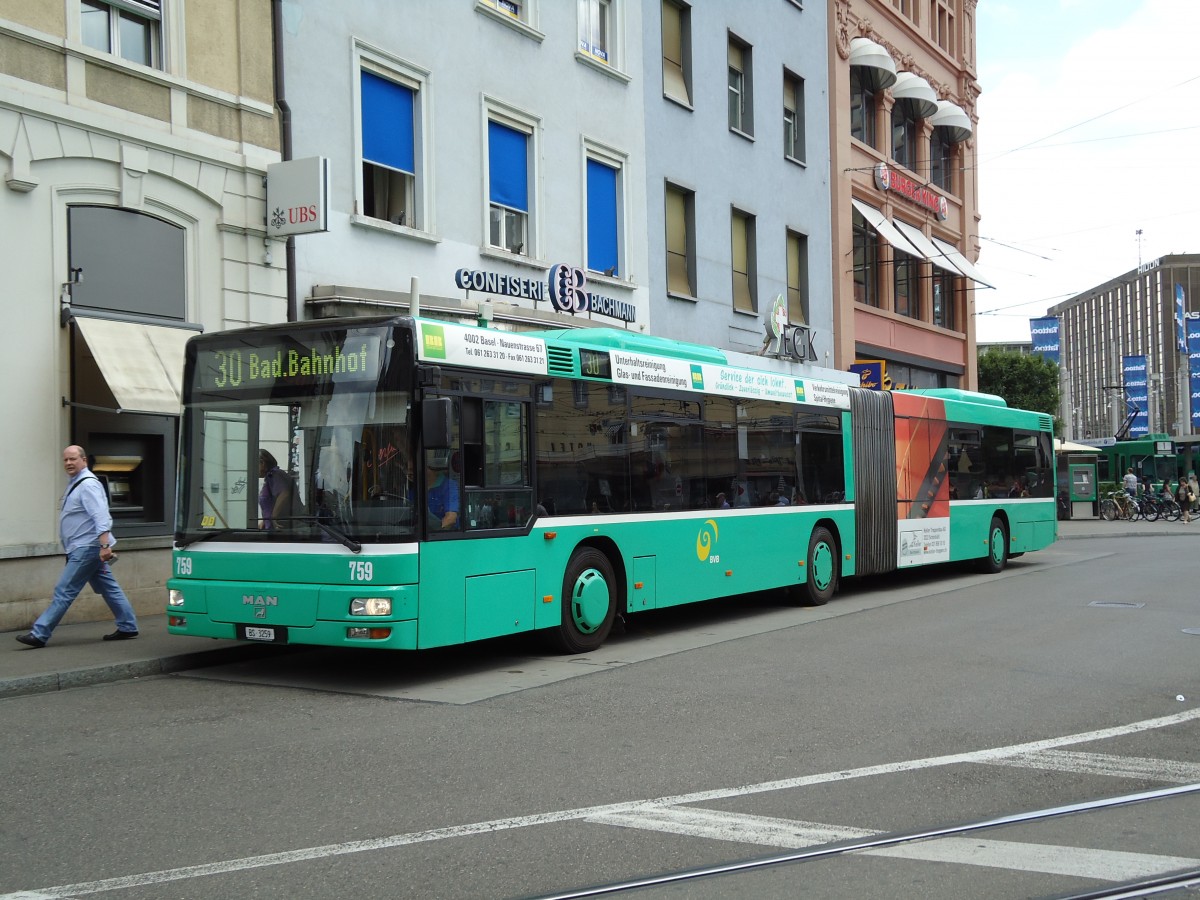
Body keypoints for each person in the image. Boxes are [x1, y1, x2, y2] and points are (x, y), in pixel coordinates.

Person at [16, 446, 138, 648]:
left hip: (87, 547)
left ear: (84, 461)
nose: (68, 463)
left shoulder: (88, 485)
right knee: (109, 588)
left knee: (64, 590)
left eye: (73, 459)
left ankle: (40, 633)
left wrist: (105, 545)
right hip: (84, 547)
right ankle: (128, 626)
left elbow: (101, 516)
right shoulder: (77, 484)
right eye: (65, 460)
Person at [258, 449, 292, 530]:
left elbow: (284, 493)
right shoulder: (270, 477)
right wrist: (265, 521)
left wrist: (273, 517)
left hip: (280, 528)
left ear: (262, 463)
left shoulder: (275, 474)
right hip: (271, 527)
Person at [425, 454, 460, 530]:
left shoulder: (449, 485)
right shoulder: (412, 486)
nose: (409, 473)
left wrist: (435, 535)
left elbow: (451, 518)